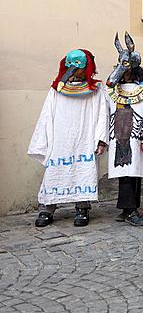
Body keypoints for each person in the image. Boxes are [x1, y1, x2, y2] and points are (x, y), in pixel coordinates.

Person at [28, 49, 108, 227]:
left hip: (85, 139)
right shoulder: (56, 90)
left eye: (78, 66)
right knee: (54, 172)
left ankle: (82, 207)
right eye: (70, 66)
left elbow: (103, 114)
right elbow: (47, 115)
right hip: (60, 139)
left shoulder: (96, 90)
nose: (74, 70)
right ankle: (47, 207)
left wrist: (101, 139)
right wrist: (44, 140)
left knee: (84, 172)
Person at [104, 33, 143, 226]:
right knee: (124, 171)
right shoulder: (111, 90)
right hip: (118, 134)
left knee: (135, 171)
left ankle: (131, 207)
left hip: (137, 137)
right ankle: (129, 210)